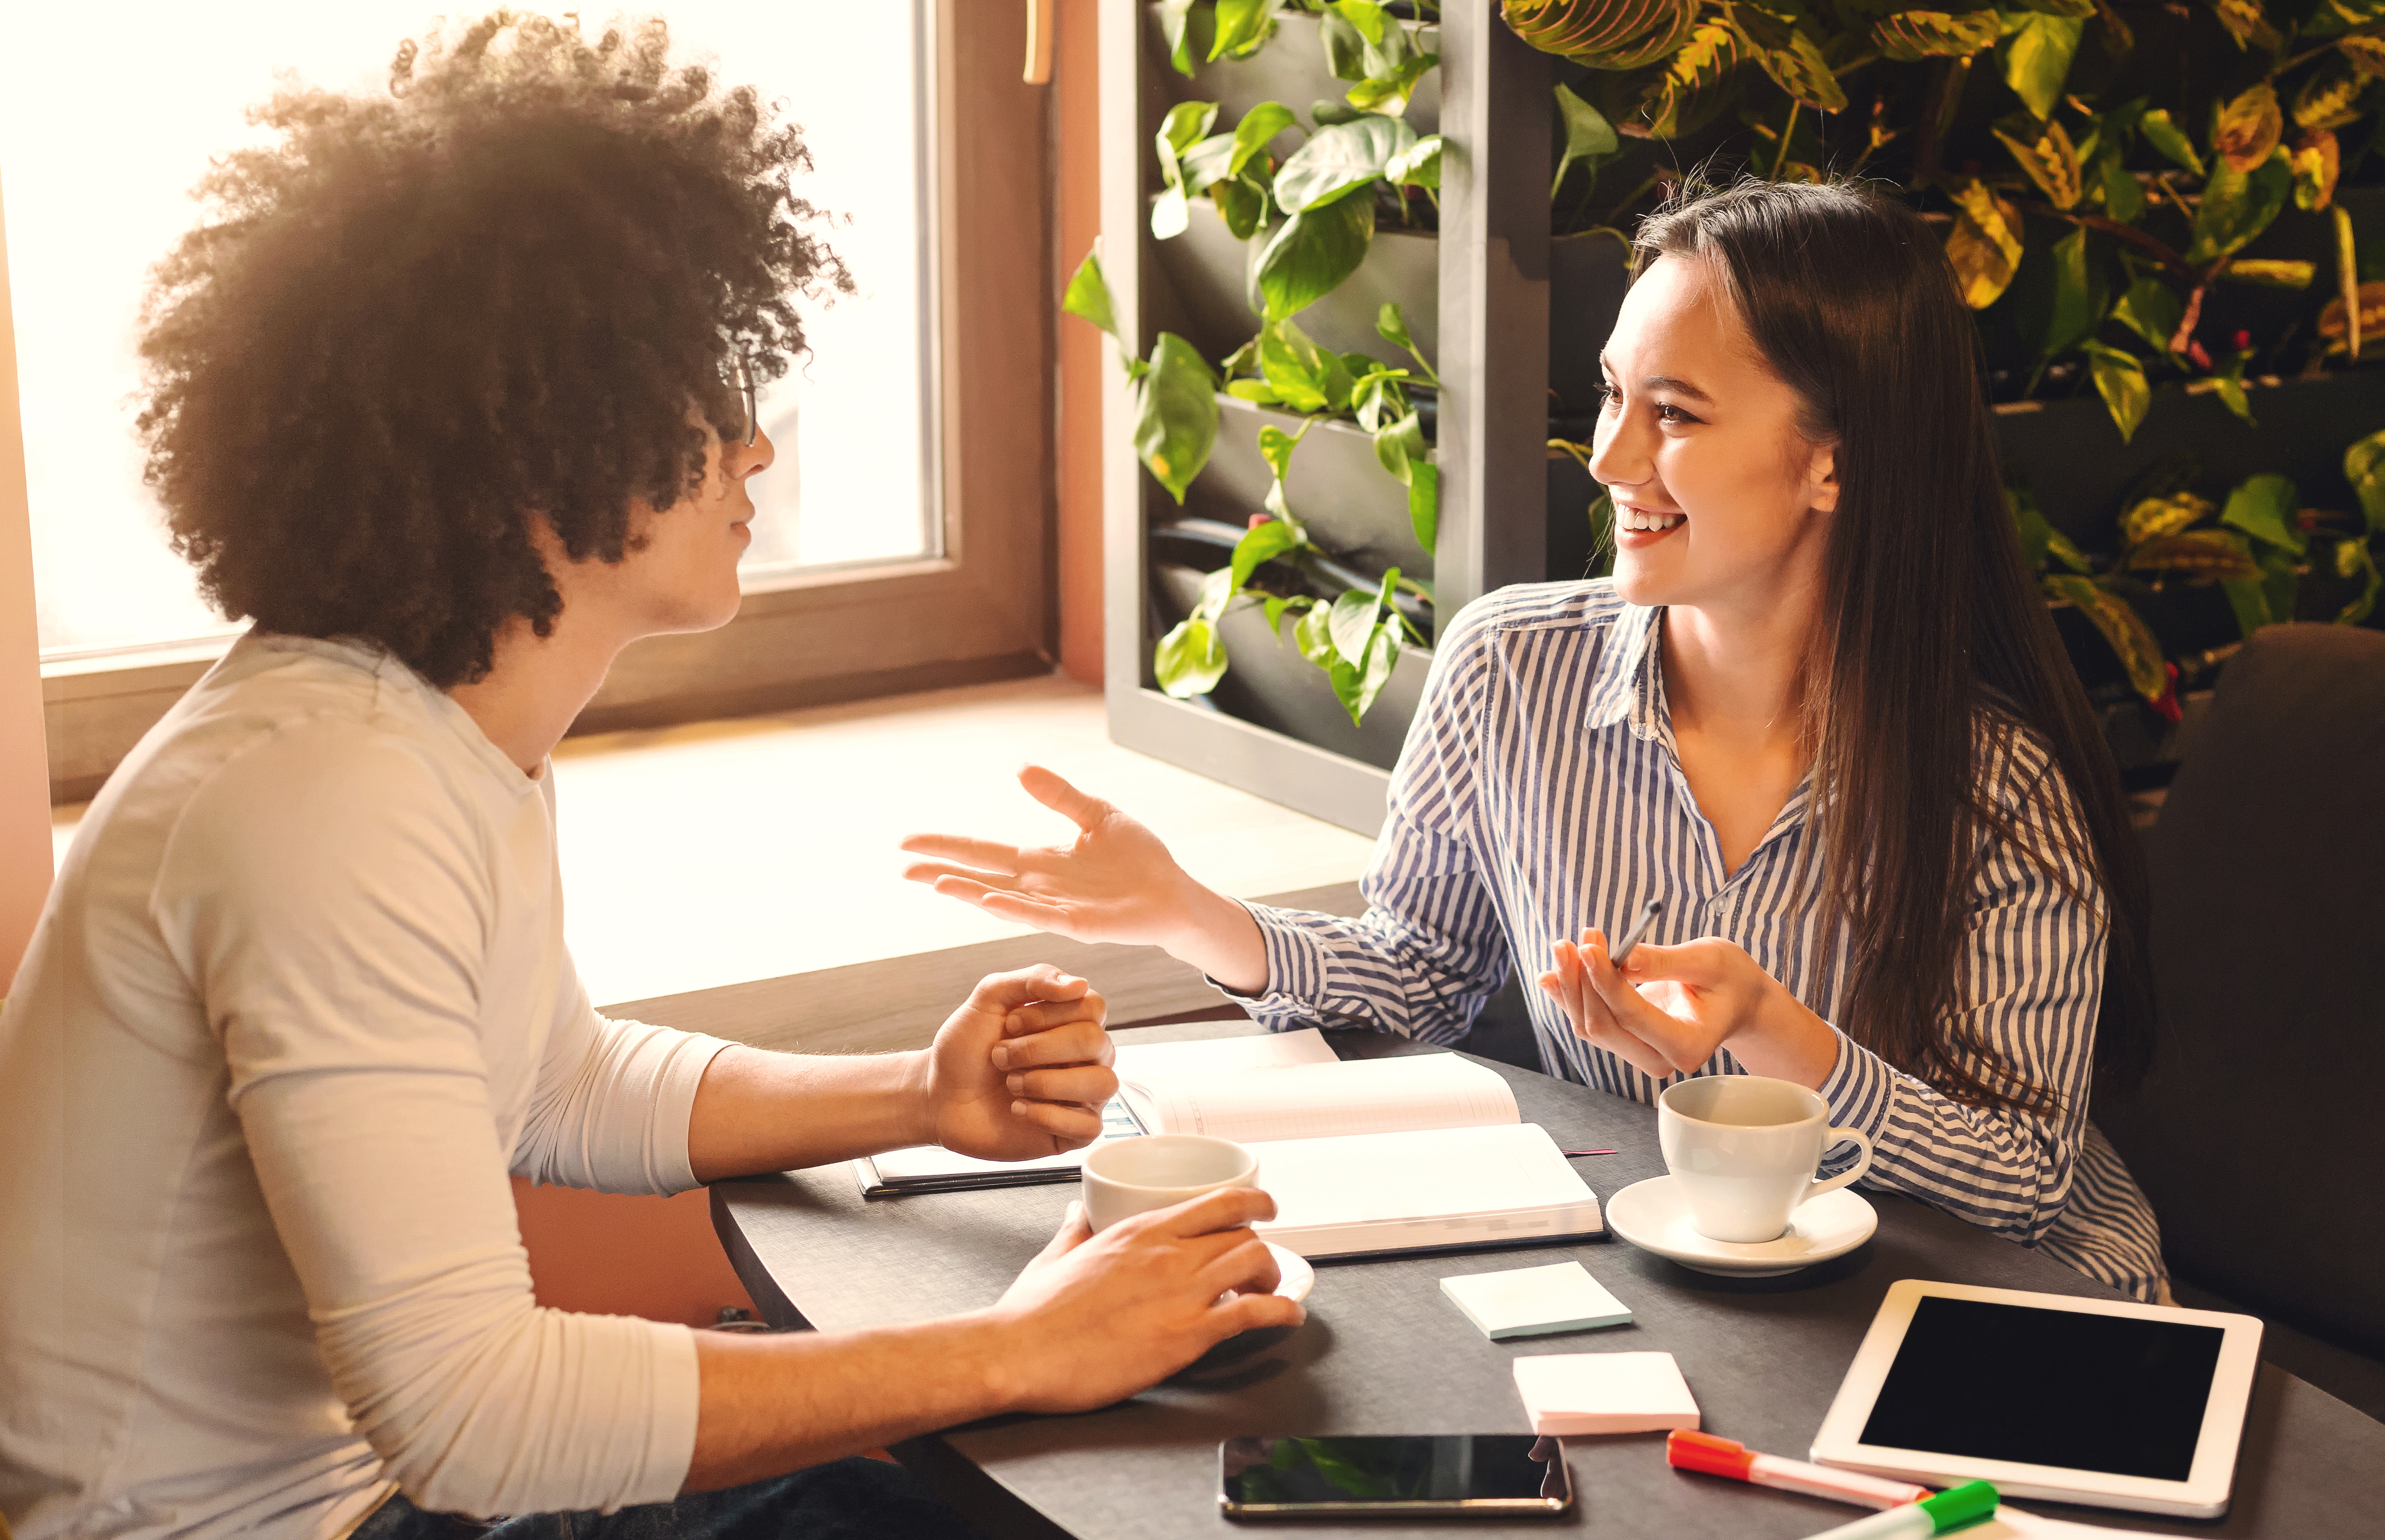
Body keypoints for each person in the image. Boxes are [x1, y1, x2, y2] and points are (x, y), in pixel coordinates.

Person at [0, 17, 1298, 1540]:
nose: (755, 447)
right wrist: (1016, 1348)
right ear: (544, 432)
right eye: (701, 391)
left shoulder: (427, 730)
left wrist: (919, 1095)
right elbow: (473, 1424)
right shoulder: (329, 802)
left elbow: (552, 1081)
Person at [903, 177, 2171, 1304]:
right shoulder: (1513, 668)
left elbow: (2025, 1179)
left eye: (1675, 414)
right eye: (1614, 394)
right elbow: (1425, 972)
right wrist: (1190, 914)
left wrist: (1774, 1031)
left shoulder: (1996, 783)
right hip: (1699, 1291)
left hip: (1988, 1313)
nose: (1609, 456)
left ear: (1831, 463)